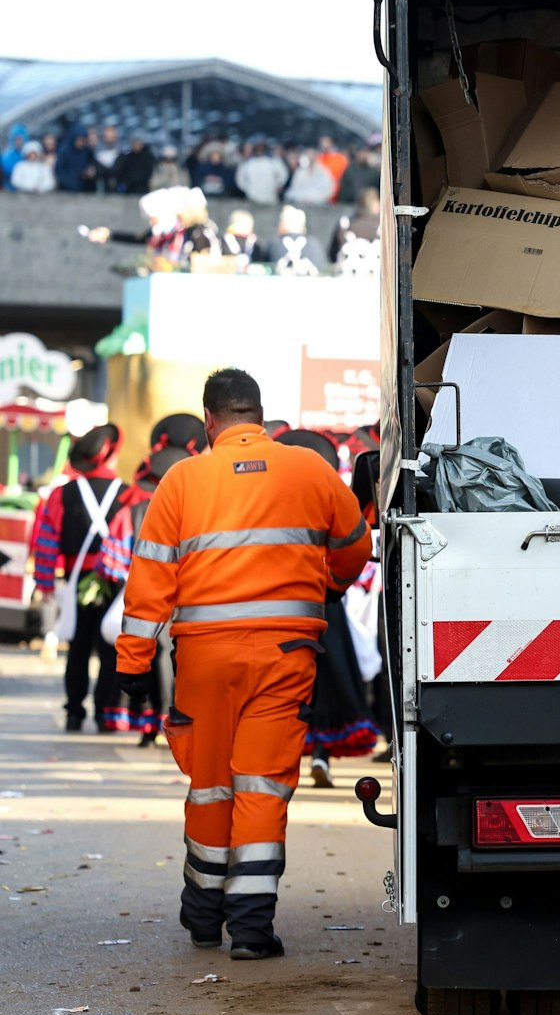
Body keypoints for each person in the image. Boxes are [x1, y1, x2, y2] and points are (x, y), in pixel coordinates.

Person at [113, 369, 370, 960]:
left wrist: (134, 659)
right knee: (261, 784)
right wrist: (329, 582)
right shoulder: (309, 470)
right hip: (285, 656)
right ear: (259, 414)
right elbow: (357, 545)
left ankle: (203, 917)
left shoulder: (181, 480)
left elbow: (149, 578)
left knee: (210, 786)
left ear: (210, 421)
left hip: (204, 659)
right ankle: (251, 929)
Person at [275, 429, 382, 787]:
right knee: (326, 680)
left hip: (272, 600)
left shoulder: (264, 495)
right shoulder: (327, 493)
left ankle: (276, 762)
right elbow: (356, 546)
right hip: (321, 597)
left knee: (279, 685)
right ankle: (320, 754)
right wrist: (335, 584)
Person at [29, 425, 130, 732]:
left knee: (78, 646)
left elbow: (46, 542)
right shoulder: (128, 494)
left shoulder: (62, 494)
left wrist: (45, 581)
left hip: (76, 578)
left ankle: (74, 711)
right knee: (111, 647)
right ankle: (105, 712)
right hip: (116, 579)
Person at [100, 447, 193, 746]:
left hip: (146, 602)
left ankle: (148, 725)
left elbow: (111, 562)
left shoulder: (132, 513)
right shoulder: (194, 512)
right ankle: (178, 720)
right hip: (188, 604)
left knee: (149, 659)